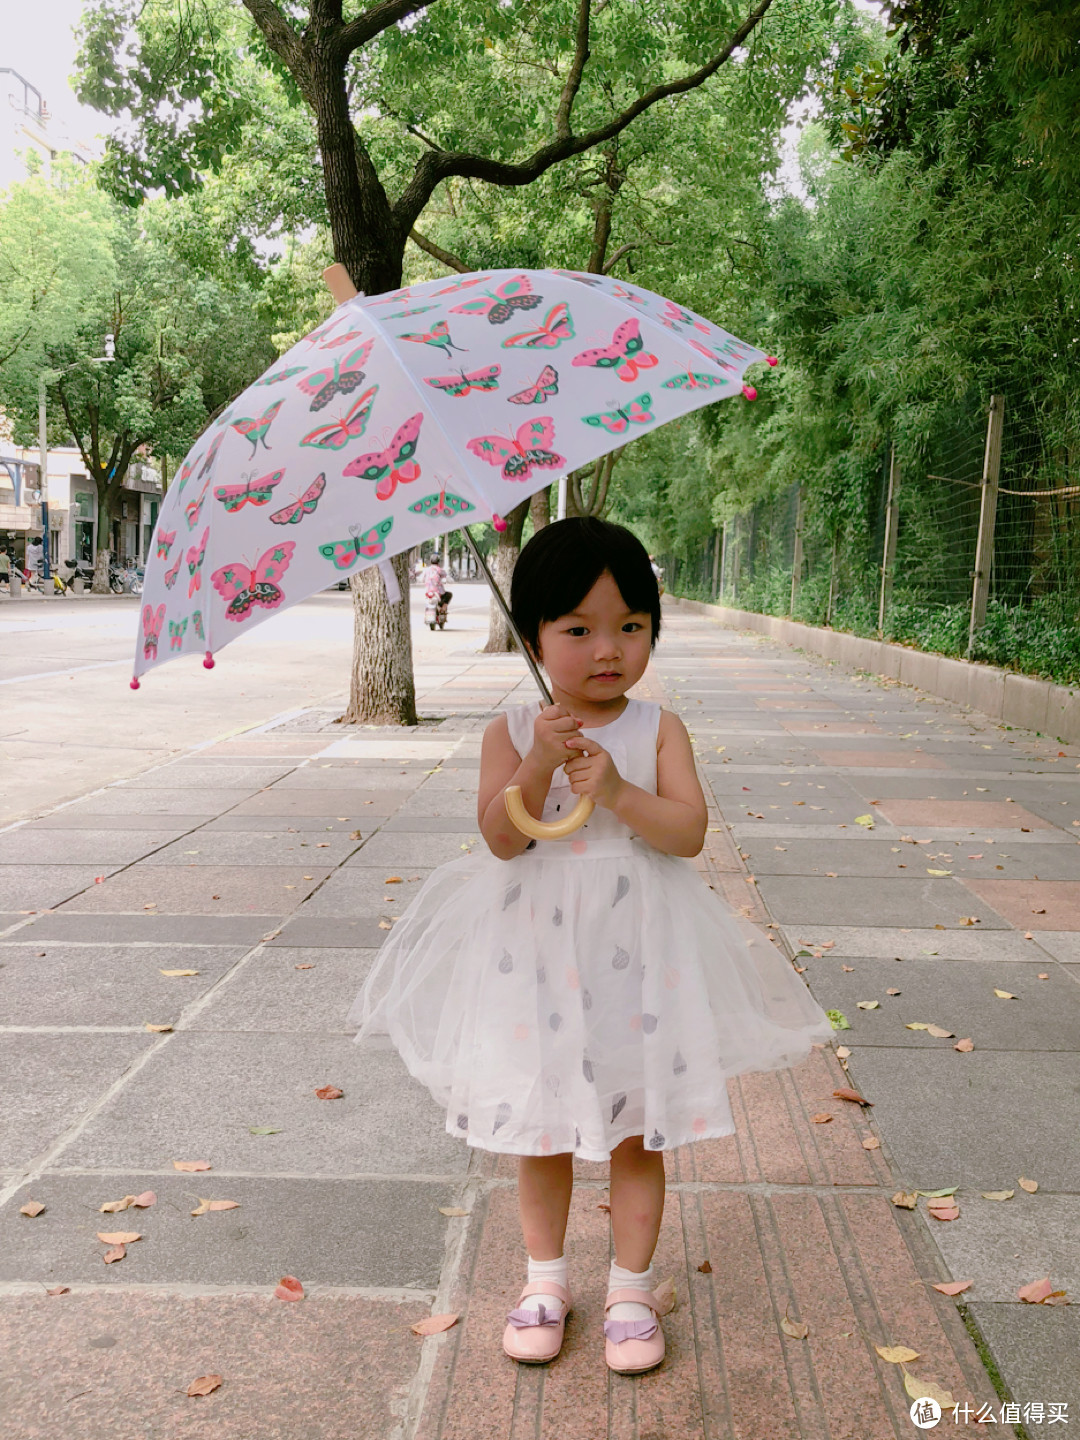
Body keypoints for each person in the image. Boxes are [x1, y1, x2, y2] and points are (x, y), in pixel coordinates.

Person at [347, 516, 831, 1375]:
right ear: (534, 635)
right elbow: (503, 838)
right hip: (535, 954)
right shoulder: (511, 729)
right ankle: (544, 1281)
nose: (608, 649)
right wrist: (538, 761)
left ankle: (632, 1287)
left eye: (631, 627)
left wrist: (615, 788)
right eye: (578, 630)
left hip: (641, 954)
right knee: (540, 1127)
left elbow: (686, 834)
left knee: (638, 1128)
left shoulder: (658, 729)